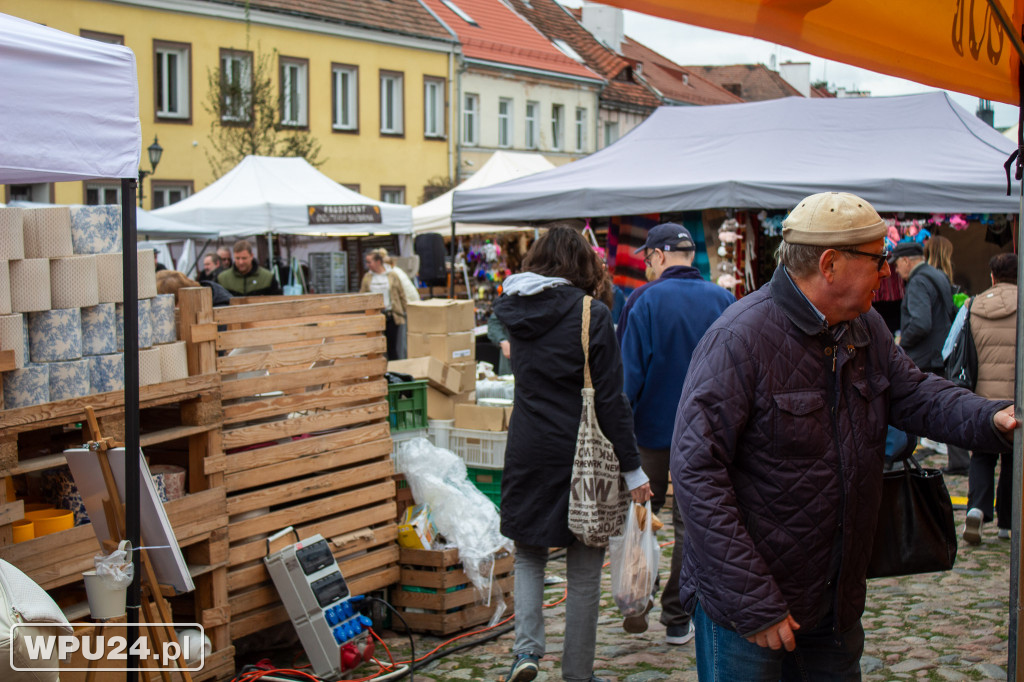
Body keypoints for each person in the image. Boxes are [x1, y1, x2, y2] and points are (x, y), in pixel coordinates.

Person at [670, 191, 1017, 681]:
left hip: (833, 604)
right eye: (877, 259)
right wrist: (753, 602)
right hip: (749, 612)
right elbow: (695, 473)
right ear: (830, 264)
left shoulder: (865, 326)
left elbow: (916, 395)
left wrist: (992, 418)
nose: (887, 271)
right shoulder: (739, 339)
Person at [492, 226, 652, 682]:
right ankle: (578, 673)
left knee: (529, 555)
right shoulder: (592, 314)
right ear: (582, 264)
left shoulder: (511, 310)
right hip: (583, 453)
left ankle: (525, 652)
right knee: (584, 567)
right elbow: (611, 400)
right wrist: (634, 469)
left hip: (527, 446)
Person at [618, 223, 734, 645]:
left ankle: (638, 596)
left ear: (658, 256)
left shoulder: (642, 300)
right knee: (691, 526)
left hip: (651, 432)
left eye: (646, 259)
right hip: (708, 433)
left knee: (639, 517)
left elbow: (627, 380)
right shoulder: (724, 299)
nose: (645, 267)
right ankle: (677, 616)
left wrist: (621, 436)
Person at [963, 252, 1018, 544]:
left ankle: (976, 509)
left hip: (982, 397)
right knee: (1012, 460)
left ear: (993, 276)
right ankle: (1007, 523)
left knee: (982, 456)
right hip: (1016, 398)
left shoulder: (974, 305)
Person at [922, 234, 971, 472]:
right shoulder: (944, 277)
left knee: (940, 403)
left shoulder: (925, 278)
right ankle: (953, 454)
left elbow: (923, 321)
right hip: (944, 349)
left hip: (933, 350)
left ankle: (943, 447)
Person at [360, 250, 408, 360]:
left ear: (378, 262)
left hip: (391, 315)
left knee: (392, 346)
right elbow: (362, 296)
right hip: (374, 317)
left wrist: (406, 311)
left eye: (369, 262)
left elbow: (401, 294)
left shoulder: (392, 275)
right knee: (377, 346)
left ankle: (394, 371)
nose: (367, 265)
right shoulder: (367, 277)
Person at [216, 240, 281, 297]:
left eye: (244, 258)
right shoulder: (222, 279)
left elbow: (278, 301)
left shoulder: (267, 278)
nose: (241, 262)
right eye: (237, 258)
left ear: (251, 256)